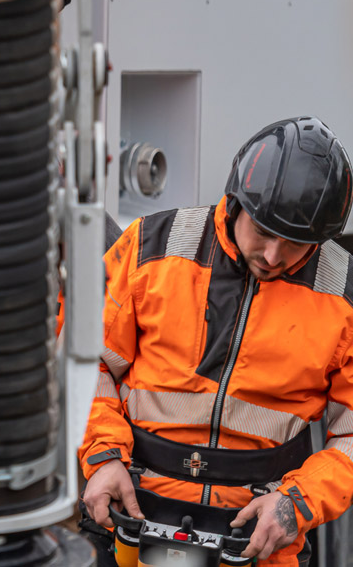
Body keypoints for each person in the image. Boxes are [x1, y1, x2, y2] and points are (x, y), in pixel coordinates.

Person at [78, 116, 353, 567]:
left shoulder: (343, 295)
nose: (272, 256)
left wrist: (296, 505)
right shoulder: (151, 248)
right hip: (124, 520)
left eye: (296, 244)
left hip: (259, 541)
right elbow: (86, 360)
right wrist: (103, 457)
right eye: (264, 232)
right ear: (235, 201)